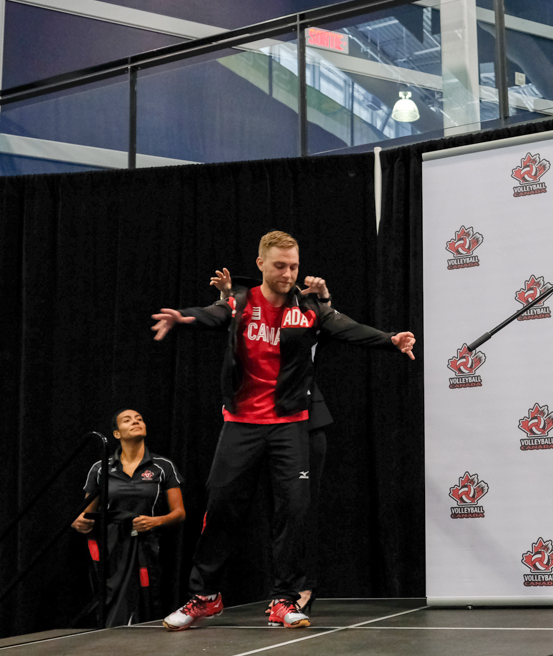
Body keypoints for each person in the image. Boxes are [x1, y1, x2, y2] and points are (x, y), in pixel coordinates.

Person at [150, 230, 416, 630]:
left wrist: (389, 340)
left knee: (293, 511)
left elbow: (345, 327)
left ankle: (284, 599)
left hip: (290, 425)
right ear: (261, 264)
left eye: (293, 266)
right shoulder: (241, 301)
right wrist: (183, 317)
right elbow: (214, 314)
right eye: (280, 265)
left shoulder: (307, 308)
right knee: (221, 509)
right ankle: (205, 596)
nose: (288, 273)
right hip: (241, 424)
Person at [72, 408, 186, 626]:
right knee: (111, 599)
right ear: (117, 434)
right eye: (127, 420)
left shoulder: (163, 466)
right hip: (112, 547)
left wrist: (156, 521)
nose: (135, 422)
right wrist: (80, 522)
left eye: (139, 419)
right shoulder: (100, 468)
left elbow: (179, 513)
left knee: (144, 598)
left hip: (146, 545)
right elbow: (86, 513)